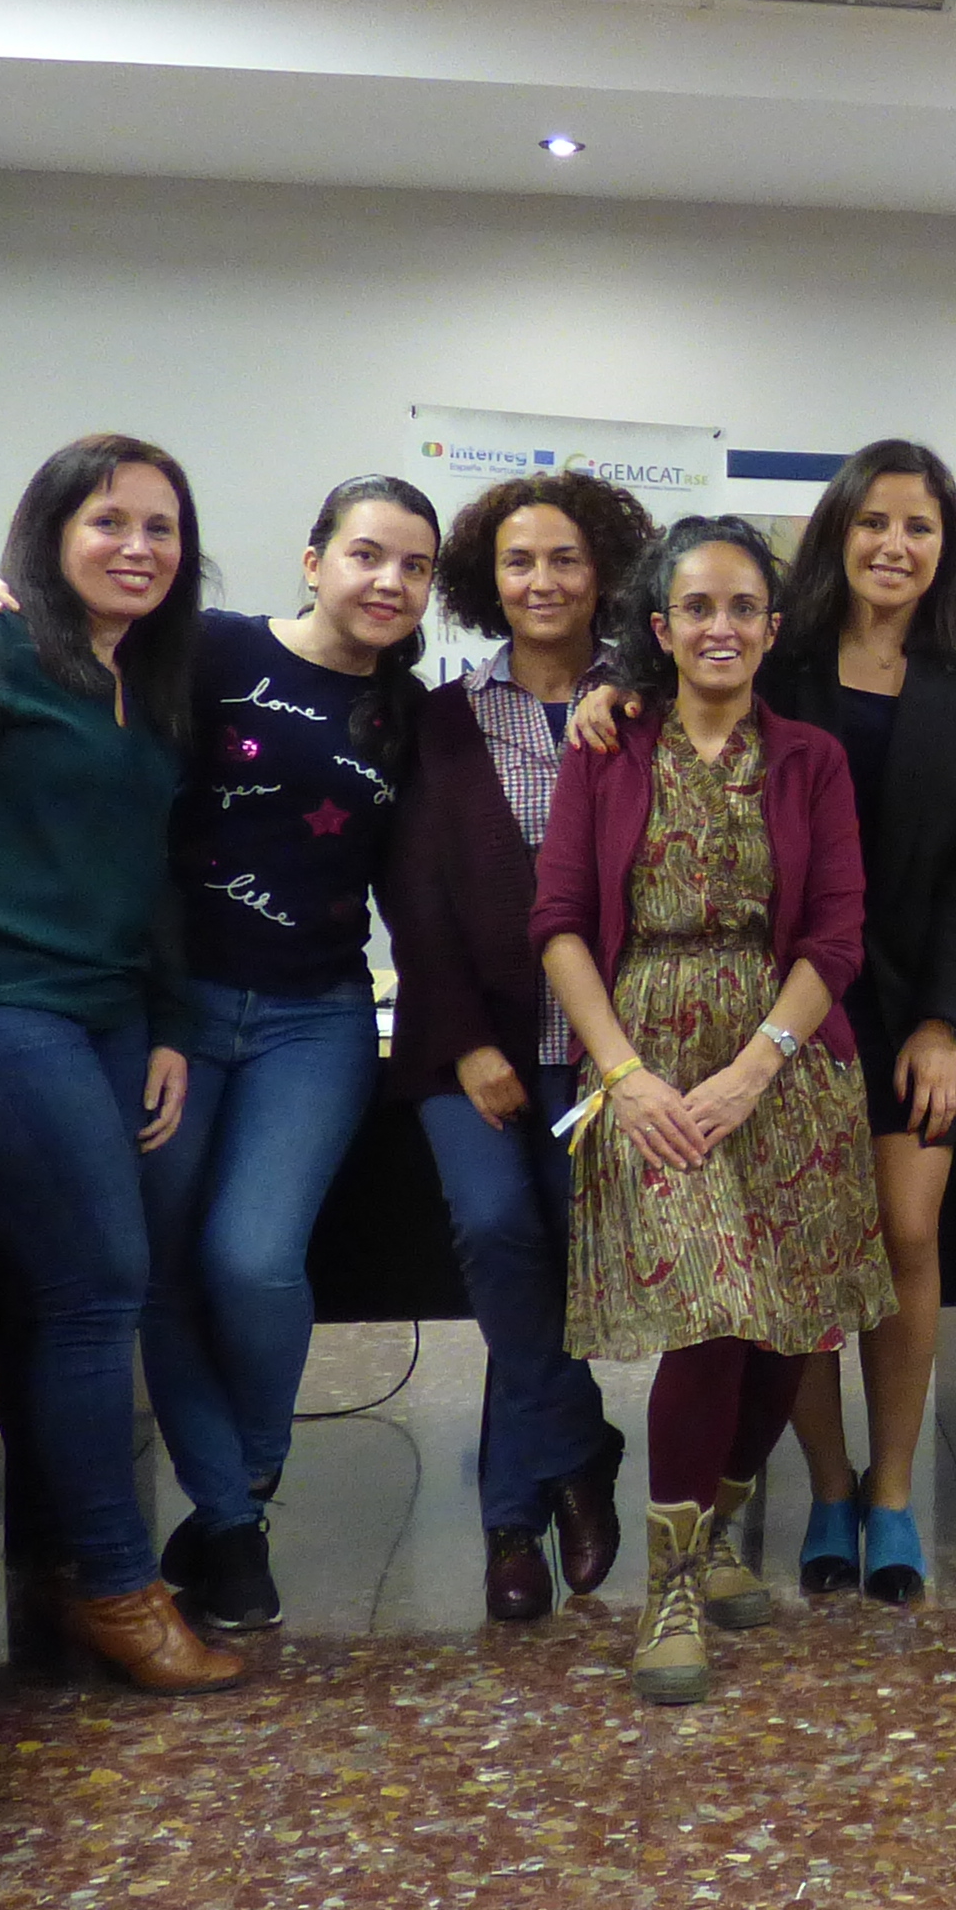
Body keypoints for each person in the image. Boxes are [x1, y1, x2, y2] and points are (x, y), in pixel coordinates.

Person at [0, 477, 445, 1636]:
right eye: (367, 553)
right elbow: (74, 639)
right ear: (312, 560)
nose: (388, 581)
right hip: (168, 1015)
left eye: (415, 567)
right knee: (156, 1272)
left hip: (317, 1019)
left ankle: (245, 1476)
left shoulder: (413, 714)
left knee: (254, 1260)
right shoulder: (208, 651)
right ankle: (230, 1526)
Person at [0, 433, 233, 1693]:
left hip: (111, 1012)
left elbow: (154, 870)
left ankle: (57, 1558)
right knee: (99, 1284)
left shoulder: (151, 678)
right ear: (50, 533)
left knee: (48, 1295)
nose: (138, 548)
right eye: (108, 522)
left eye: (161, 528)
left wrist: (169, 1020)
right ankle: (118, 1588)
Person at [533, 516, 899, 1706]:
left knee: (787, 1330)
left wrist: (754, 1069)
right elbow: (560, 924)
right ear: (662, 626)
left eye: (743, 607)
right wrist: (622, 1076)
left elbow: (837, 935)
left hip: (785, 1065)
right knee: (706, 1312)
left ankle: (719, 1528)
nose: (721, 627)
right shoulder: (607, 748)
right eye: (698, 607)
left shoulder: (811, 759)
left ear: (773, 628)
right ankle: (671, 1589)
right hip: (646, 1065)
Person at [379, 470, 658, 1623]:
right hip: (475, 1050)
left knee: (548, 1269)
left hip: (607, 1055)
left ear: (605, 573)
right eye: (518, 562)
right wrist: (463, 1043)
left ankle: (512, 1525)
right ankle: (579, 1450)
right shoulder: (441, 718)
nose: (542, 581)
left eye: (565, 559)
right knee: (498, 1232)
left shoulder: (647, 706)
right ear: (484, 582)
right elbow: (415, 897)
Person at [749, 442, 956, 1607]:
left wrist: (948, 1019)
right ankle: (828, 1486)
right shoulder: (780, 658)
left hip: (917, 1002)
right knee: (806, 1249)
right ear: (837, 532)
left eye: (919, 527)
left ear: (945, 547)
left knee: (906, 1231)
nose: (894, 545)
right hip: (791, 998)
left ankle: (894, 1491)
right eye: (873, 523)